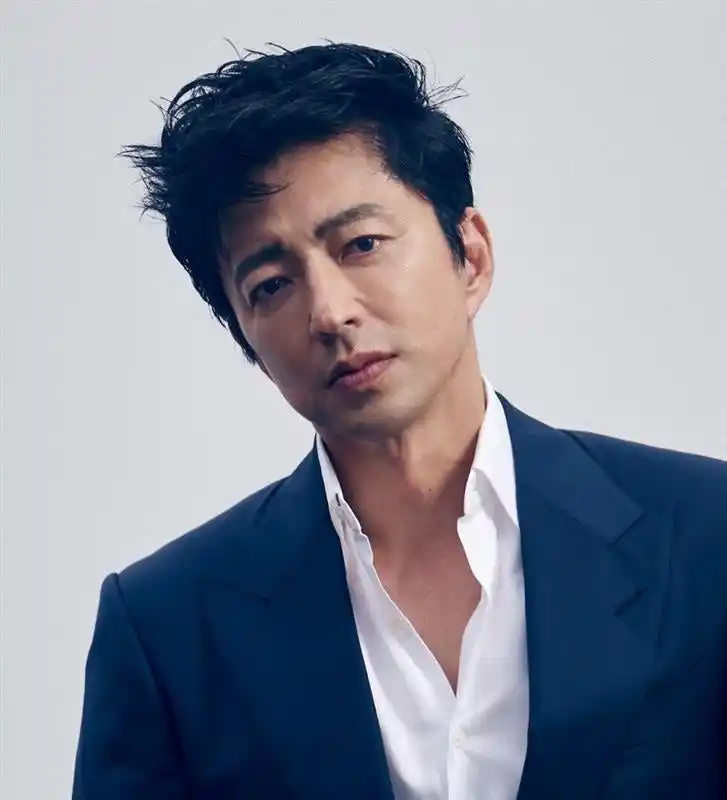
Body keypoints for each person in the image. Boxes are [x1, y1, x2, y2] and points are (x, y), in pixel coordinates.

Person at [72, 42, 727, 799]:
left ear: (469, 255)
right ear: (245, 336)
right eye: (272, 284)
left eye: (362, 245)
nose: (329, 311)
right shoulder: (166, 626)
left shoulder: (704, 534)